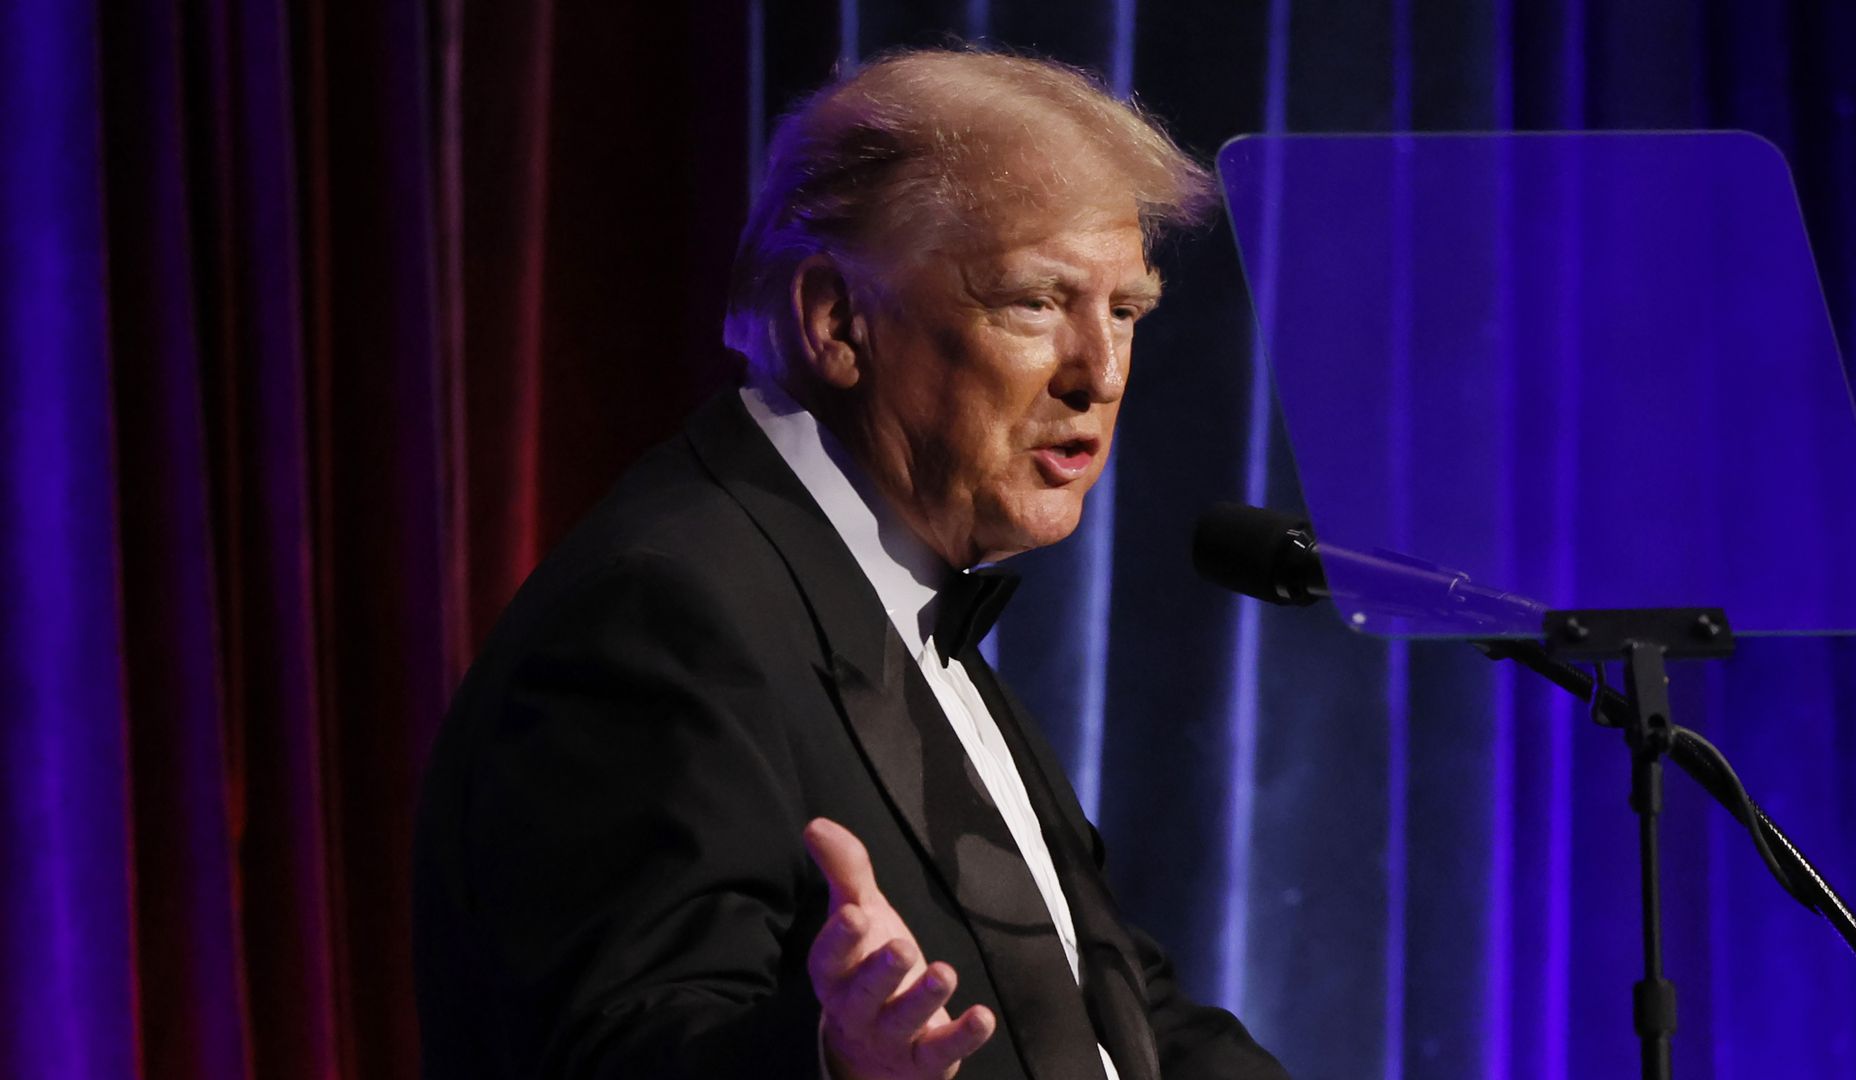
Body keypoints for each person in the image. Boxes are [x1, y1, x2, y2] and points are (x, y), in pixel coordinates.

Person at [413, 47, 1292, 1080]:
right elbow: (608, 1050)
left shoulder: (892, 587)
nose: (1097, 373)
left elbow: (1118, 1011)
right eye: (1033, 302)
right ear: (836, 320)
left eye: (1125, 312)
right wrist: (832, 1061)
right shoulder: (662, 613)